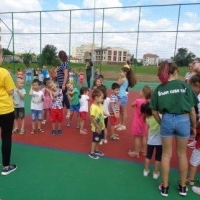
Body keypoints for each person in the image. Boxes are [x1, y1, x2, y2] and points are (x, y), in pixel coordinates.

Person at [150, 60, 198, 197]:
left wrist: (162, 123)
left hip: (167, 120)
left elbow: (153, 111)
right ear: (175, 71)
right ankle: (183, 187)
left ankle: (165, 187)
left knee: (166, 154)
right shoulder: (184, 86)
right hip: (183, 120)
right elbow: (192, 110)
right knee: (182, 155)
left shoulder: (160, 88)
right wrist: (194, 127)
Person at [0, 56, 17, 175]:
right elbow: (11, 91)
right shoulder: (4, 72)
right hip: (5, 110)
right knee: (6, 137)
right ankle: (6, 166)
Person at [128, 85, 152, 158]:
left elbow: (132, 105)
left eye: (141, 91)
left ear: (144, 93)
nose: (140, 92)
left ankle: (136, 152)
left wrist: (135, 103)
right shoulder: (148, 102)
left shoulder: (138, 101)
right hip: (144, 122)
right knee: (143, 136)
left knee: (136, 137)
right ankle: (144, 150)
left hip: (137, 122)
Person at [140, 102, 162, 179]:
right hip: (160, 142)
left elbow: (149, 126)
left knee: (148, 156)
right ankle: (155, 173)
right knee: (158, 157)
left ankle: (146, 170)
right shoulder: (160, 117)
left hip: (150, 141)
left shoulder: (147, 119)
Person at [89, 89, 105, 159]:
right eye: (101, 98)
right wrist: (97, 126)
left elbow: (102, 113)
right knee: (95, 140)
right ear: (96, 97)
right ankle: (91, 152)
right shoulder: (93, 107)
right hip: (96, 127)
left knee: (99, 139)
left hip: (101, 127)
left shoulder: (100, 105)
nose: (102, 99)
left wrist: (108, 114)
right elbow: (92, 118)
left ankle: (96, 150)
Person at [57, 50, 70, 119]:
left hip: (62, 84)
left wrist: (64, 84)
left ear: (59, 56)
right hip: (61, 83)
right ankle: (61, 111)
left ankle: (68, 111)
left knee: (64, 96)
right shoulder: (63, 64)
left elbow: (66, 74)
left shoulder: (64, 64)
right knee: (62, 97)